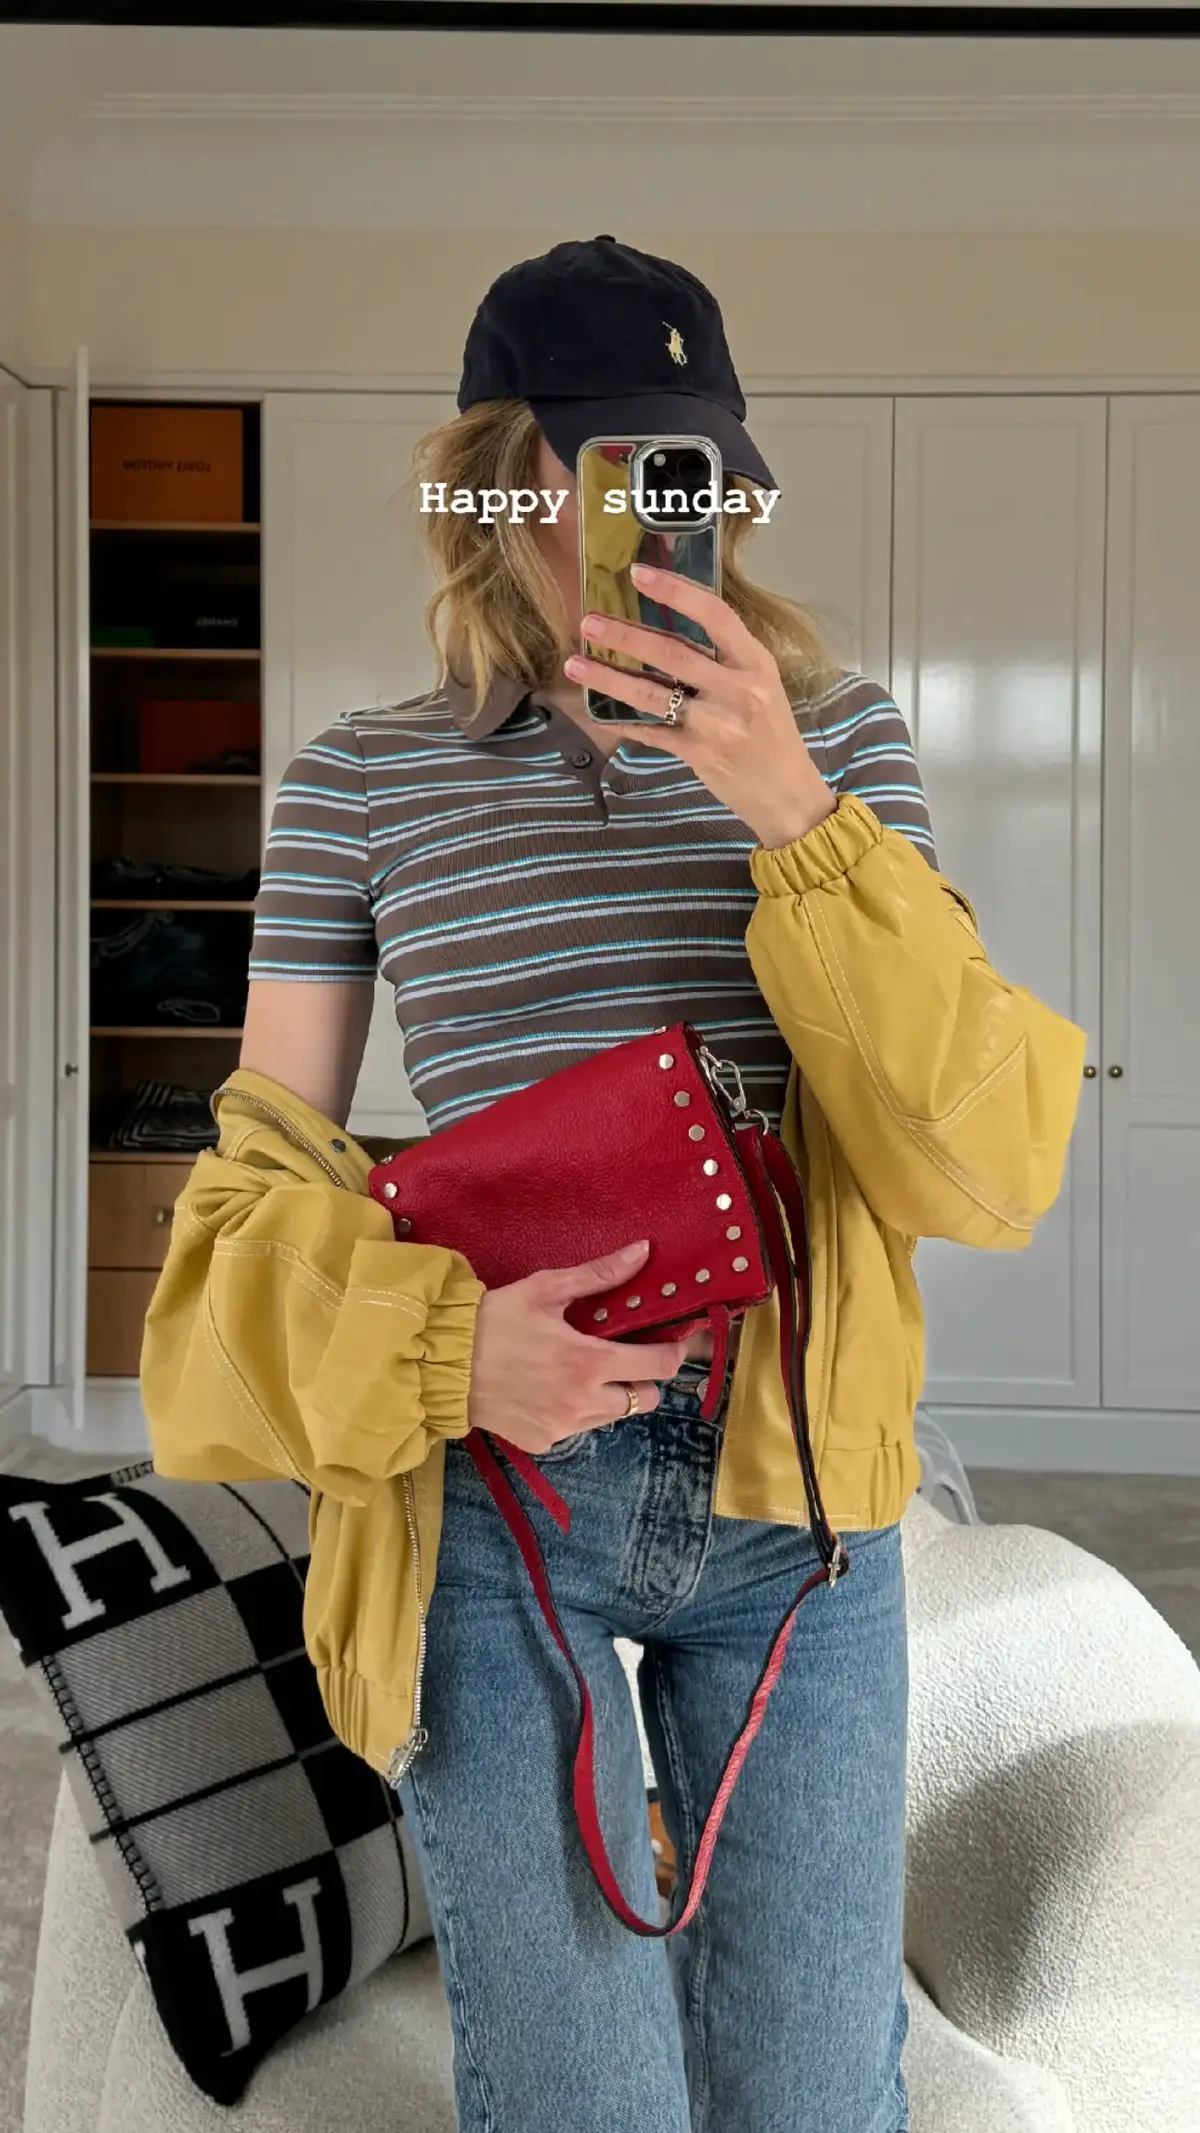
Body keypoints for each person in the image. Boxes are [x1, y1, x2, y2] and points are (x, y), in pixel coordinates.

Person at [141, 236, 1087, 2133]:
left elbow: (975, 1163)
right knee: (586, 2104)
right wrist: (445, 1354)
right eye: (610, 470)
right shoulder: (357, 783)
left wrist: (794, 815)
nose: (660, 516)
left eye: (696, 471)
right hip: (497, 1496)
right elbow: (247, 1208)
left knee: (815, 2101)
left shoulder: (841, 747)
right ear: (498, 487)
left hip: (802, 1491)